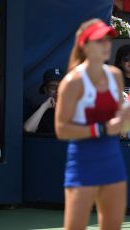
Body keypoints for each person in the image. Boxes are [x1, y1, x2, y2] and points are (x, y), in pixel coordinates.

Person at [55, 18, 130, 230]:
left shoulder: (115, 76)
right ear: (85, 46)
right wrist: (103, 129)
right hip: (82, 162)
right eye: (99, 41)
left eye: (108, 40)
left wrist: (126, 120)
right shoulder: (72, 82)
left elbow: (120, 126)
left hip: (113, 161)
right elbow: (61, 129)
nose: (106, 45)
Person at [24, 68, 64, 135]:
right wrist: (45, 106)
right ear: (45, 90)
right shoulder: (39, 111)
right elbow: (28, 129)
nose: (58, 91)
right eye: (53, 87)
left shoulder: (74, 111)